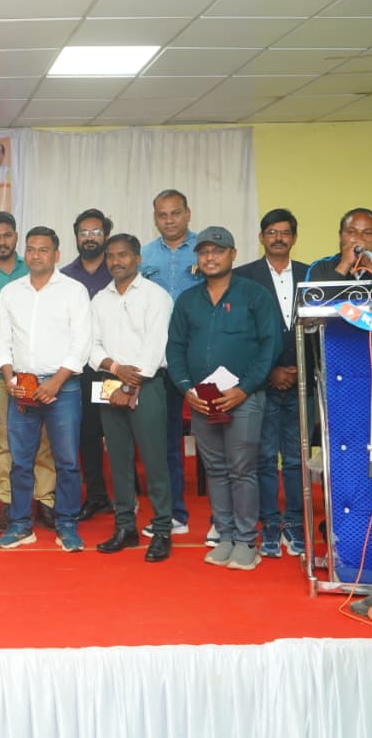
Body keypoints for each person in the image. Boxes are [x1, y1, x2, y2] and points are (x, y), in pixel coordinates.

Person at [167, 227, 282, 572]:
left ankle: (246, 540)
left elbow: (271, 345)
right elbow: (175, 349)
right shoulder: (188, 300)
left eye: (218, 251)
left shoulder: (255, 294)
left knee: (242, 469)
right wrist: (187, 389)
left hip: (243, 397)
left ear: (233, 254)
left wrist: (244, 389)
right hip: (202, 400)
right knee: (215, 469)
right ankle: (226, 536)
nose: (210, 257)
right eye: (204, 252)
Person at [0, 227, 91, 552]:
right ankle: (21, 525)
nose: (36, 255)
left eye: (43, 250)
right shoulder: (11, 292)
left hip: (64, 387)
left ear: (56, 255)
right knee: (20, 461)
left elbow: (81, 343)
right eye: (31, 249)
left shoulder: (74, 291)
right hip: (22, 386)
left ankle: (67, 524)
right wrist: (10, 380)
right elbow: (2, 342)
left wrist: (56, 382)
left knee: (67, 461)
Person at [0, 212, 57, 532]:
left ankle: (45, 499)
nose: (2, 241)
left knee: (43, 440)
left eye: (7, 235)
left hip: (37, 372)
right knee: (4, 441)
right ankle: (9, 502)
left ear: (16, 237)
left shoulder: (33, 268)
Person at [89, 234, 174, 562]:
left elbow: (155, 347)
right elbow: (90, 346)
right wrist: (114, 369)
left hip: (147, 385)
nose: (116, 261)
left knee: (154, 461)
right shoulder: (100, 299)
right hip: (109, 383)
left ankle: (162, 530)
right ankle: (125, 527)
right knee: (119, 461)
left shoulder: (156, 296)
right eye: (111, 256)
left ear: (137, 259)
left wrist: (129, 383)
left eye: (123, 255)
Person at [234, 208, 310, 559]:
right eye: (271, 232)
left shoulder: (311, 275)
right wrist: (269, 372)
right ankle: (269, 522)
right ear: (261, 237)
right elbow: (241, 335)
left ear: (294, 237)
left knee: (295, 459)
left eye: (285, 232)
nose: (278, 238)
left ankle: (294, 521)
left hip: (302, 382)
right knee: (263, 458)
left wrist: (297, 370)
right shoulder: (243, 277)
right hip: (261, 383)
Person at [141, 189, 202, 538]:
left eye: (175, 213)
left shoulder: (206, 250)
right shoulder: (145, 255)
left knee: (219, 441)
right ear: (155, 218)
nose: (169, 220)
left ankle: (225, 523)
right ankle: (174, 514)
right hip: (161, 360)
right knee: (167, 442)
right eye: (162, 215)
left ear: (188, 213)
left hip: (202, 356)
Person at [61, 208, 114, 522]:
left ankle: (126, 494)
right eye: (84, 232)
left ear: (106, 235)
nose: (90, 237)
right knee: (88, 433)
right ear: (76, 237)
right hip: (81, 371)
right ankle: (96, 496)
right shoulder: (65, 276)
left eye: (96, 232)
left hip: (112, 369)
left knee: (117, 429)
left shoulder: (118, 269)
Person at [305, 208, 372, 282]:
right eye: (351, 232)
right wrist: (345, 264)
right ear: (340, 236)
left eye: (367, 233)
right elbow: (311, 306)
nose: (359, 238)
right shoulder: (321, 266)